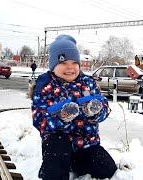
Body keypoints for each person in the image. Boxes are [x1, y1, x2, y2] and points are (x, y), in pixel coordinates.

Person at [31, 35, 117, 180]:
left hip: (86, 143)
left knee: (107, 169)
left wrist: (96, 111)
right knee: (55, 167)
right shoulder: (45, 86)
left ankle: (75, 163)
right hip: (58, 143)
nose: (70, 67)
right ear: (53, 66)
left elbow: (105, 108)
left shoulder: (88, 83)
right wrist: (62, 117)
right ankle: (52, 168)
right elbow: (39, 120)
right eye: (63, 62)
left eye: (74, 62)